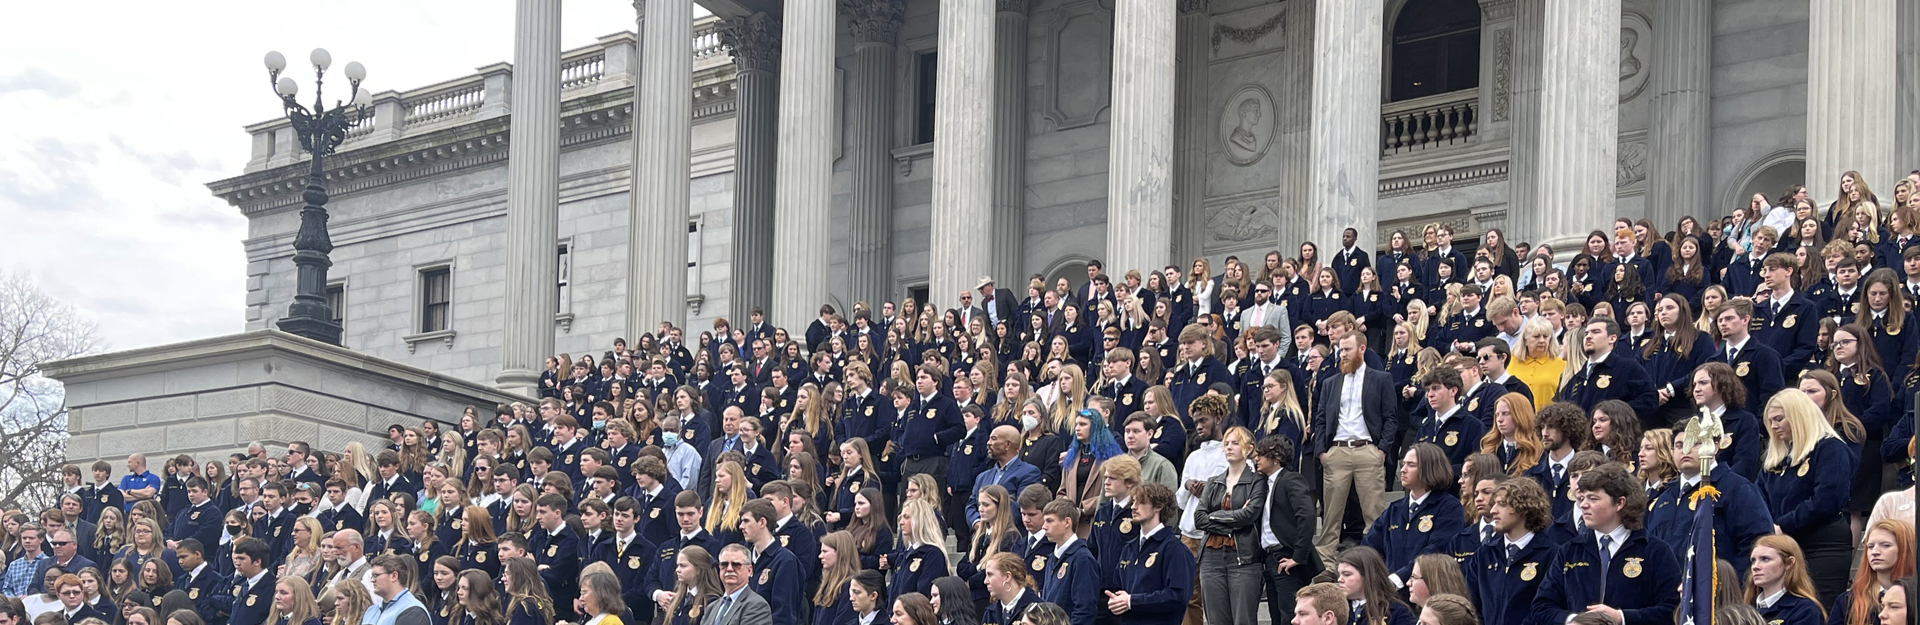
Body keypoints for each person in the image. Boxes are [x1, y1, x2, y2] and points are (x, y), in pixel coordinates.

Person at [1528, 464, 1680, 625]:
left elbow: (1671, 609)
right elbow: (1541, 607)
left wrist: (1621, 618)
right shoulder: (1570, 551)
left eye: (1593, 498)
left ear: (1619, 503)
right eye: (1582, 498)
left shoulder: (1655, 551)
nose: (1583, 505)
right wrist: (1575, 621)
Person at [1756, 390, 1857, 602]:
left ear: (1798, 415)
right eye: (1770, 421)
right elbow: (1759, 497)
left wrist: (1783, 525)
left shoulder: (1830, 448)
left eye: (1779, 419)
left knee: (1819, 609)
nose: (1773, 426)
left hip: (1822, 545)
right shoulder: (1777, 457)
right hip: (1783, 545)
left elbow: (1827, 499)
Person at [1644, 413, 1773, 577]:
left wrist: (1731, 586)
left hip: (1717, 593)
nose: (1686, 449)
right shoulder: (1663, 497)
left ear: (1715, 446)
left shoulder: (1736, 488)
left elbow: (1757, 543)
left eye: (1696, 443)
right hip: (1668, 596)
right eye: (1679, 445)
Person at [1309, 333, 1399, 564]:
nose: (1343, 354)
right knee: (1331, 516)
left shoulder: (1380, 378)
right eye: (1340, 350)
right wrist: (1322, 453)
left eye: (1348, 349)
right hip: (1336, 451)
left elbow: (1391, 418)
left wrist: (1381, 450)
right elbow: (1320, 419)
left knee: (1374, 513)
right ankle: (1325, 565)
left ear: (1362, 348)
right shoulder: (1330, 382)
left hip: (1367, 449)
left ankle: (1376, 562)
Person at [1194, 425, 1265, 625]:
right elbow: (1199, 519)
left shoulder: (1257, 481)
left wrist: (1214, 517)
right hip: (1210, 557)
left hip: (1243, 558)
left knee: (1244, 620)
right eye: (1226, 443)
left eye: (1235, 443)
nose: (1229, 447)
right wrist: (1231, 520)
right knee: (1216, 620)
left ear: (1249, 448)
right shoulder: (1214, 482)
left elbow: (1249, 515)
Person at [1363, 443, 1463, 587]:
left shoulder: (1449, 507)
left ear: (1429, 468)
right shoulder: (1395, 509)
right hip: (1392, 594)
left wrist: (1399, 578)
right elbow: (1370, 547)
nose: (1403, 470)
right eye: (1403, 464)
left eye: (1411, 465)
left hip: (1428, 590)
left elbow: (1436, 550)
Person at [1103, 482, 1193, 625]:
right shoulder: (1129, 548)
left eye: (1141, 502)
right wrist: (1116, 602)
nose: (1133, 507)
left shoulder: (1174, 549)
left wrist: (1132, 601)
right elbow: (1119, 589)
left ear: (1159, 506)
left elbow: (1177, 596)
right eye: (1133, 502)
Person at [1465, 478, 1551, 625]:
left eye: (1502, 504)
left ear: (1524, 508)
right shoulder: (1483, 554)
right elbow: (1471, 606)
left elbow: (1546, 608)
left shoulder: (1550, 555)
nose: (1493, 511)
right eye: (1494, 504)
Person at [1253, 434, 1319, 625]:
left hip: (1286, 557)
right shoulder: (1264, 485)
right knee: (1276, 616)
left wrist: (1298, 556)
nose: (1256, 459)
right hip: (1269, 558)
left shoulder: (1291, 480)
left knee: (1289, 617)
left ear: (1276, 458)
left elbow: (1306, 516)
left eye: (1261, 455)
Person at [1555, 317, 1659, 417]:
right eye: (1586, 333)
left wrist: (1614, 415)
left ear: (1612, 338)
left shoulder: (1628, 368)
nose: (1588, 336)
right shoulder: (1576, 378)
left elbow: (1650, 400)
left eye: (1596, 332)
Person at [1828, 520, 1915, 625]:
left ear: (1906, 549)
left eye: (1886, 545)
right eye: (1870, 546)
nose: (1875, 552)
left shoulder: (1915, 597)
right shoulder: (1847, 601)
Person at [735, 500, 801, 625]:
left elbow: (783, 614)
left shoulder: (785, 561)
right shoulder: (744, 558)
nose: (741, 526)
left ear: (762, 522)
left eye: (746, 521)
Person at [1032, 499, 1097, 625]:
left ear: (1067, 522)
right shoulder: (1052, 558)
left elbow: (1085, 609)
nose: (1044, 526)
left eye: (1050, 521)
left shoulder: (1082, 559)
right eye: (1044, 521)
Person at [1744, 536, 1827, 625]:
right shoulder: (1745, 609)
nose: (1755, 566)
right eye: (1753, 561)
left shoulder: (1804, 610)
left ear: (1789, 563)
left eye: (1765, 559)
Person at [1335, 548, 1414, 625]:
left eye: (1346, 574)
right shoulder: (1334, 608)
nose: (1339, 579)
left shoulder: (1397, 612)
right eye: (1339, 574)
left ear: (1368, 576)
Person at [708, 545, 773, 625]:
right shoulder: (711, 608)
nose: (729, 569)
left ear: (749, 570)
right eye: (724, 564)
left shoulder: (757, 606)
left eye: (736, 565)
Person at [216, 538, 276, 625]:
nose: (237, 563)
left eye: (241, 559)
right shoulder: (246, 584)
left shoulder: (273, 587)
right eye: (236, 558)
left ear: (257, 562)